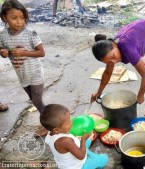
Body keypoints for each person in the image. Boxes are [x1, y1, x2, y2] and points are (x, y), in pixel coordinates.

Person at [0, 0, 47, 135]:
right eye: (14, 18)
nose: (19, 22)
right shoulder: (3, 35)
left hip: (35, 74)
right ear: (4, 17)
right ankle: (49, 119)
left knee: (37, 100)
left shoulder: (30, 33)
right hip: (22, 74)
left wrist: (24, 52)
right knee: (33, 99)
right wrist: (3, 52)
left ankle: (49, 124)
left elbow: (41, 52)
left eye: (22, 18)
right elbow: (2, 49)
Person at [41, 104, 109, 169]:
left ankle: (88, 151)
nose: (72, 122)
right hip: (77, 167)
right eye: (67, 122)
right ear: (56, 130)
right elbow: (81, 156)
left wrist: (85, 139)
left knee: (88, 141)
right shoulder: (65, 141)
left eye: (69, 119)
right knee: (104, 158)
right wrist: (83, 139)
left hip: (65, 164)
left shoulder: (51, 133)